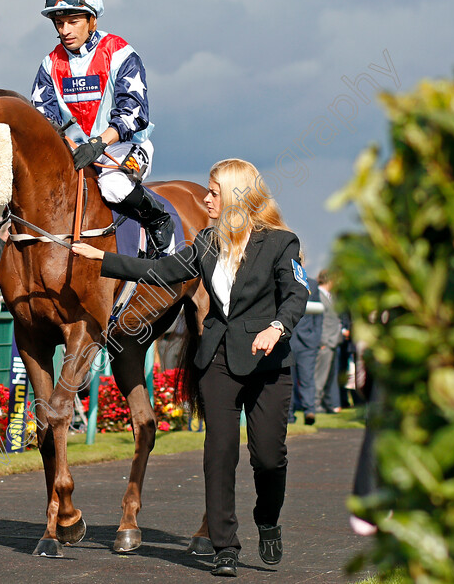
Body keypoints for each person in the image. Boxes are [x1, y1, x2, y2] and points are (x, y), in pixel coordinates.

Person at [72, 158, 309, 577]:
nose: (205, 199)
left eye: (214, 192)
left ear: (237, 197)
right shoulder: (204, 242)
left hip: (268, 363)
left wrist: (277, 327)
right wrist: (100, 258)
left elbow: (295, 295)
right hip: (218, 360)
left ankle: (268, 520)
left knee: (268, 459)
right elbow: (160, 270)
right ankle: (224, 545)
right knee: (218, 455)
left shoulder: (281, 242)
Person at [31, 0, 174, 254]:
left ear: (92, 19)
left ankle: (158, 218)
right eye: (60, 23)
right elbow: (43, 119)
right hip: (73, 152)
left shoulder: (120, 53)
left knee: (113, 187)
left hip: (122, 146)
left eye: (73, 21)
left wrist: (98, 143)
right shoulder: (50, 64)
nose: (65, 30)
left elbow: (134, 113)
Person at [287, 272, 321, 425]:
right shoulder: (284, 279)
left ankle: (309, 412)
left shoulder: (313, 284)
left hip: (307, 342)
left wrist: (316, 337)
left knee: (307, 378)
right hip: (288, 339)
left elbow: (319, 314)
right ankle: (289, 415)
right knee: (289, 379)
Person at [314, 269, 343, 414]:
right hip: (326, 342)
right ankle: (316, 404)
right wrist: (324, 341)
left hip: (333, 342)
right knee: (320, 376)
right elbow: (319, 322)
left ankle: (325, 403)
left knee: (328, 377)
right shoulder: (318, 295)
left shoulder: (329, 296)